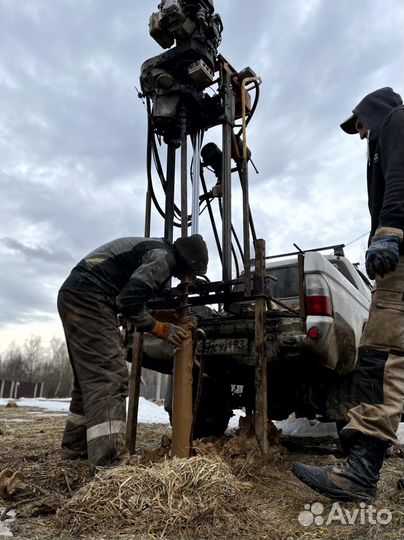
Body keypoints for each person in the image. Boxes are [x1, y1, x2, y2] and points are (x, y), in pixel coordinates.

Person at [293, 87, 404, 502]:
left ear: (372, 112)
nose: (360, 134)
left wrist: (389, 231)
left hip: (401, 258)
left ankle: (360, 472)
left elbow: (401, 178)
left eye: (359, 124)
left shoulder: (396, 121)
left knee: (379, 356)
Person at [58, 234, 208, 471]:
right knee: (109, 378)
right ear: (185, 261)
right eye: (189, 273)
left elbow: (134, 297)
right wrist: (159, 328)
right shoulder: (162, 258)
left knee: (88, 380)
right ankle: (110, 465)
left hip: (77, 294)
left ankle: (75, 446)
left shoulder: (155, 249)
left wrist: (162, 318)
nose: (185, 279)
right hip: (90, 298)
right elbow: (127, 302)